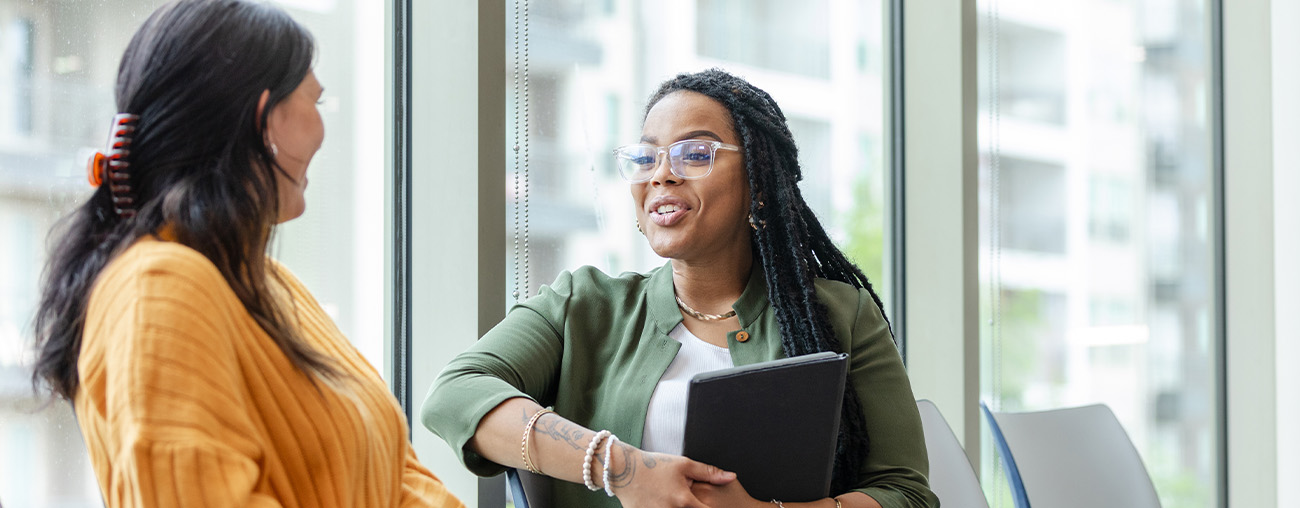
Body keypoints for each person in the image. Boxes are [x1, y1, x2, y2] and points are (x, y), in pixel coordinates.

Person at [422, 69, 937, 508]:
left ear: (758, 183)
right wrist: (621, 468)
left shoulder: (837, 313)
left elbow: (906, 492)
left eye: (695, 154)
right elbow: (456, 394)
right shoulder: (582, 305)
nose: (661, 175)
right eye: (646, 158)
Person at [30, 1, 463, 506]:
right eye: (315, 102)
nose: (323, 132)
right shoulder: (158, 290)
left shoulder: (268, 284)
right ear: (264, 118)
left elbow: (394, 471)